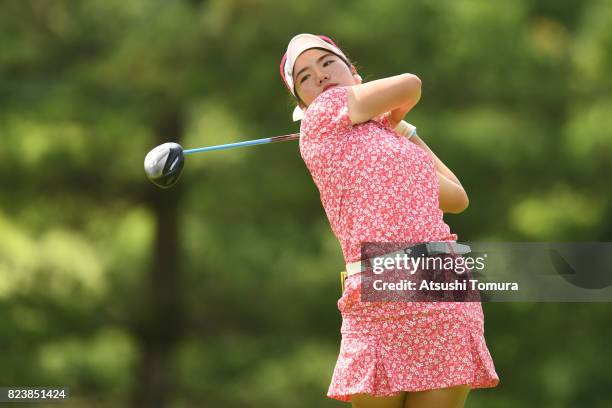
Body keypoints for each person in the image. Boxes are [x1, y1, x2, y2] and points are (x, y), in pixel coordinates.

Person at [280, 33, 499, 408]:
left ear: (354, 72)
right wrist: (393, 112)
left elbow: (456, 196)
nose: (318, 75)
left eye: (327, 62)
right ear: (303, 104)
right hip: (379, 300)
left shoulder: (392, 141)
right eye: (304, 76)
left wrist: (401, 129)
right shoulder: (321, 117)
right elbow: (410, 85)